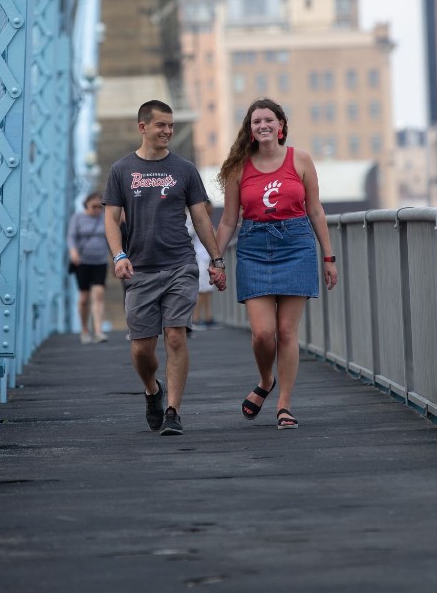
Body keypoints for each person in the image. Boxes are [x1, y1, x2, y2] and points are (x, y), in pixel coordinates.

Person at [103, 100, 227, 436]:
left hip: (180, 264)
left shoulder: (185, 169)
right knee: (142, 348)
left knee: (175, 336)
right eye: (161, 125)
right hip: (140, 269)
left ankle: (174, 411)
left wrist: (216, 261)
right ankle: (152, 390)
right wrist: (119, 255)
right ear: (143, 127)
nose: (168, 131)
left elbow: (200, 217)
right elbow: (111, 218)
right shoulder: (122, 169)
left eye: (171, 125)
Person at [213, 98, 338, 431]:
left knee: (286, 332)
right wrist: (216, 259)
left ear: (281, 125)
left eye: (269, 120)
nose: (263, 125)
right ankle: (265, 380)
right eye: (256, 122)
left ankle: (284, 404)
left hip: (296, 245)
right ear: (250, 130)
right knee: (262, 334)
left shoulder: (301, 160)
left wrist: (329, 257)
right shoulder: (239, 167)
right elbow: (227, 221)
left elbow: (315, 211)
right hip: (254, 247)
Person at [68, 192, 109, 343]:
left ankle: (98, 331)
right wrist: (73, 252)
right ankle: (85, 329)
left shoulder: (105, 218)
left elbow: (112, 236)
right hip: (82, 263)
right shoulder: (78, 218)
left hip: (100, 262)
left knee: (98, 295)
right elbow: (71, 237)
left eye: (100, 207)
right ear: (86, 205)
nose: (97, 210)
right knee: (84, 298)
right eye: (94, 207)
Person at [186, 200, 216, 330]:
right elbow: (190, 233)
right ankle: (196, 319)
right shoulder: (191, 217)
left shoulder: (204, 219)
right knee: (200, 289)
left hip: (205, 257)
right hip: (198, 257)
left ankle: (208, 317)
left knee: (207, 289)